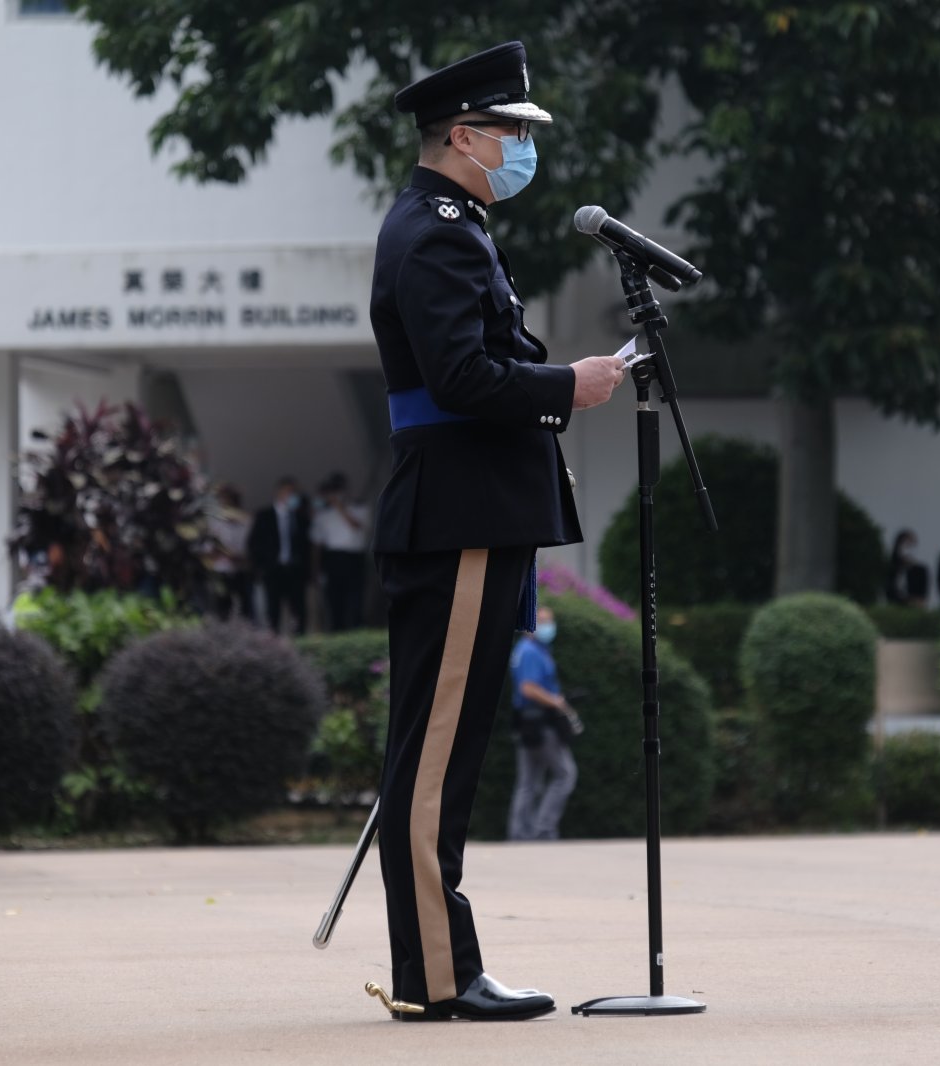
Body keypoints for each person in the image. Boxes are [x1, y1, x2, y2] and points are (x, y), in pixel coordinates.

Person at [367, 40, 626, 1023]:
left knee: (445, 747)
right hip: (460, 511)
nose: (521, 146)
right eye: (510, 130)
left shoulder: (452, 226)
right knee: (437, 754)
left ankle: (437, 967)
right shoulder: (435, 234)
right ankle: (437, 975)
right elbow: (462, 378)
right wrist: (569, 385)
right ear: (464, 136)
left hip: (468, 508)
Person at [507, 606, 580, 842]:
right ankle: (543, 830)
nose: (549, 626)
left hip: (528, 721)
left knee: (528, 782)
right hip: (540, 721)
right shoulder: (530, 651)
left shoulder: (529, 649)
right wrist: (557, 702)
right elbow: (528, 688)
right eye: (544, 621)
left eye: (550, 621)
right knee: (565, 774)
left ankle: (521, 833)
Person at [247, 476, 311, 634]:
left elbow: (306, 546)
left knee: (299, 610)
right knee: (272, 609)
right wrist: (261, 566)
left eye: (295, 493)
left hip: (295, 570)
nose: (293, 496)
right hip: (273, 569)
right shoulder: (265, 516)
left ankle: (300, 640)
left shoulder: (301, 518)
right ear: (280, 492)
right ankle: (272, 641)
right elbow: (254, 543)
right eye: (290, 492)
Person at [311, 471, 371, 631]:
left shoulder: (359, 507)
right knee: (334, 598)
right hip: (333, 559)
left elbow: (357, 526)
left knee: (355, 597)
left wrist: (339, 506)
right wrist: (316, 569)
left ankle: (357, 628)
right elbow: (317, 545)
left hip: (354, 557)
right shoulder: (323, 514)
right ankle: (337, 629)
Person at [208, 484, 255, 622]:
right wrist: (220, 553)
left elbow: (250, 544)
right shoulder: (214, 522)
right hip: (221, 569)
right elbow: (209, 547)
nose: (225, 502)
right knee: (223, 605)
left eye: (228, 498)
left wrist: (240, 556)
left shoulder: (246, 520)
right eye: (222, 499)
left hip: (241, 569)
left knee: (245, 605)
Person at [885, 529, 930, 608]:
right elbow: (889, 593)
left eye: (912, 545)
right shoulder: (891, 570)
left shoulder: (921, 571)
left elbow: (923, 597)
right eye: (906, 545)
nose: (909, 549)